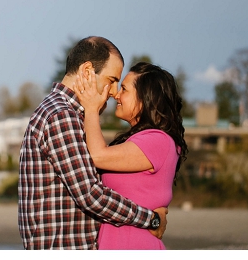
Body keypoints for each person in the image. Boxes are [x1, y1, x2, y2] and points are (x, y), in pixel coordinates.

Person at [18, 36, 168, 249]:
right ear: (87, 71)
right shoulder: (62, 116)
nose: (114, 92)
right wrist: (150, 219)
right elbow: (90, 194)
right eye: (111, 80)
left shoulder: (64, 113)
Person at [75, 61, 188, 249]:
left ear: (145, 98)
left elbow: (97, 156)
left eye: (124, 90)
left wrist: (92, 109)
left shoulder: (158, 141)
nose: (116, 95)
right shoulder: (140, 140)